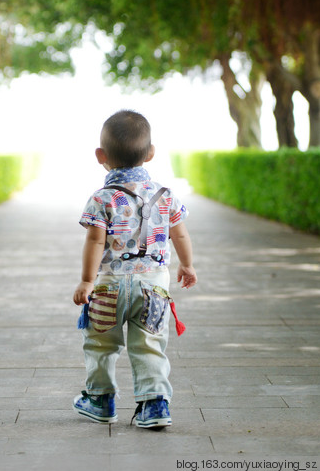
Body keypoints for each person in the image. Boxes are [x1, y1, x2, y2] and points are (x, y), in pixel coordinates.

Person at [72, 109, 197, 429]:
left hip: (108, 288)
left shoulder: (102, 198)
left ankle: (100, 400)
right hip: (153, 289)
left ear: (101, 156)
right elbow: (179, 233)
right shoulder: (165, 196)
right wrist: (186, 264)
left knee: (100, 344)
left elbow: (95, 242)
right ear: (151, 153)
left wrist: (87, 280)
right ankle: (154, 405)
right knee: (149, 345)